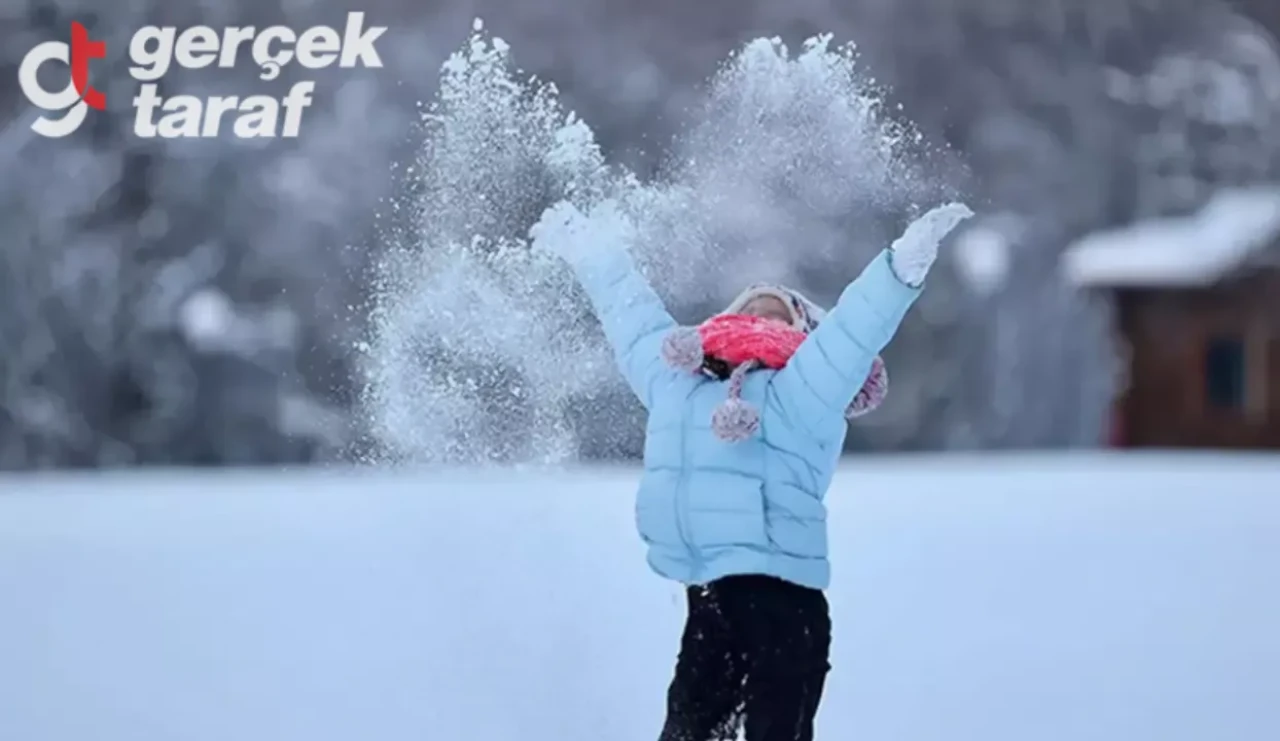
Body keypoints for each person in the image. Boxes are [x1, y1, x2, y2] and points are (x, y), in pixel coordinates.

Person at [529, 199, 973, 741]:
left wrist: (900, 267)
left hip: (785, 605)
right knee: (688, 730)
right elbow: (633, 319)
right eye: (751, 310)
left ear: (805, 332)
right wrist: (592, 251)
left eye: (778, 313)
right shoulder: (680, 384)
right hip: (710, 597)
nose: (761, 319)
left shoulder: (805, 387)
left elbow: (854, 331)